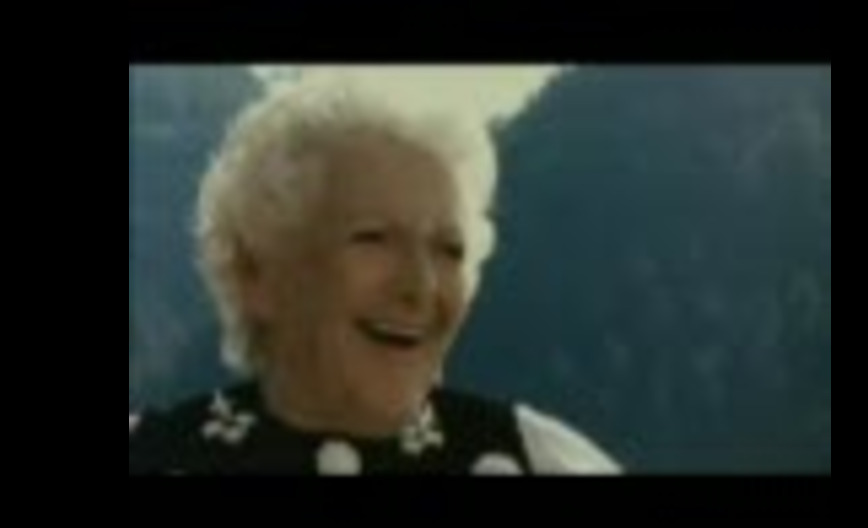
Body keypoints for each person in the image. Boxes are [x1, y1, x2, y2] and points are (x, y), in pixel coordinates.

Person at [129, 74, 622, 475]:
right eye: (374, 238)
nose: (421, 287)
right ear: (255, 273)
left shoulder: (541, 461)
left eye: (449, 251)